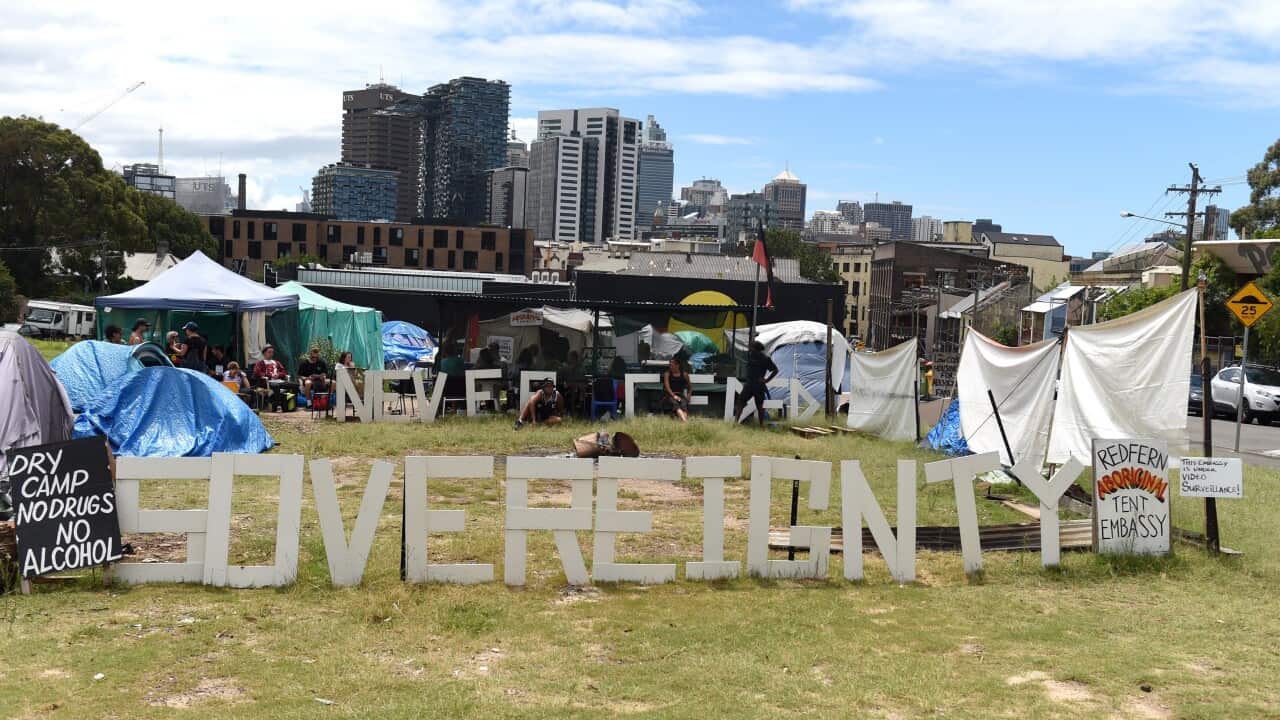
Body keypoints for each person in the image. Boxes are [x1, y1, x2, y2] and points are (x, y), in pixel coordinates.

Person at [737, 340, 779, 426]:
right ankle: (735, 423)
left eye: (751, 347)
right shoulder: (750, 356)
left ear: (756, 349)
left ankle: (761, 426)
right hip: (751, 385)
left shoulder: (764, 358)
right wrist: (766, 380)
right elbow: (775, 370)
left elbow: (775, 370)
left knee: (758, 406)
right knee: (742, 403)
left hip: (756, 386)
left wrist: (766, 380)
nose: (750, 349)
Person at [663, 357, 692, 422]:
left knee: (683, 404)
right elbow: (667, 387)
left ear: (677, 365)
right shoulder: (667, 374)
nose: (670, 367)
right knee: (675, 403)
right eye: (669, 365)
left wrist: (689, 395)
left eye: (672, 365)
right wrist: (674, 396)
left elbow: (690, 387)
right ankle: (685, 422)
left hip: (680, 395)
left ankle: (684, 421)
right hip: (669, 395)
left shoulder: (684, 374)